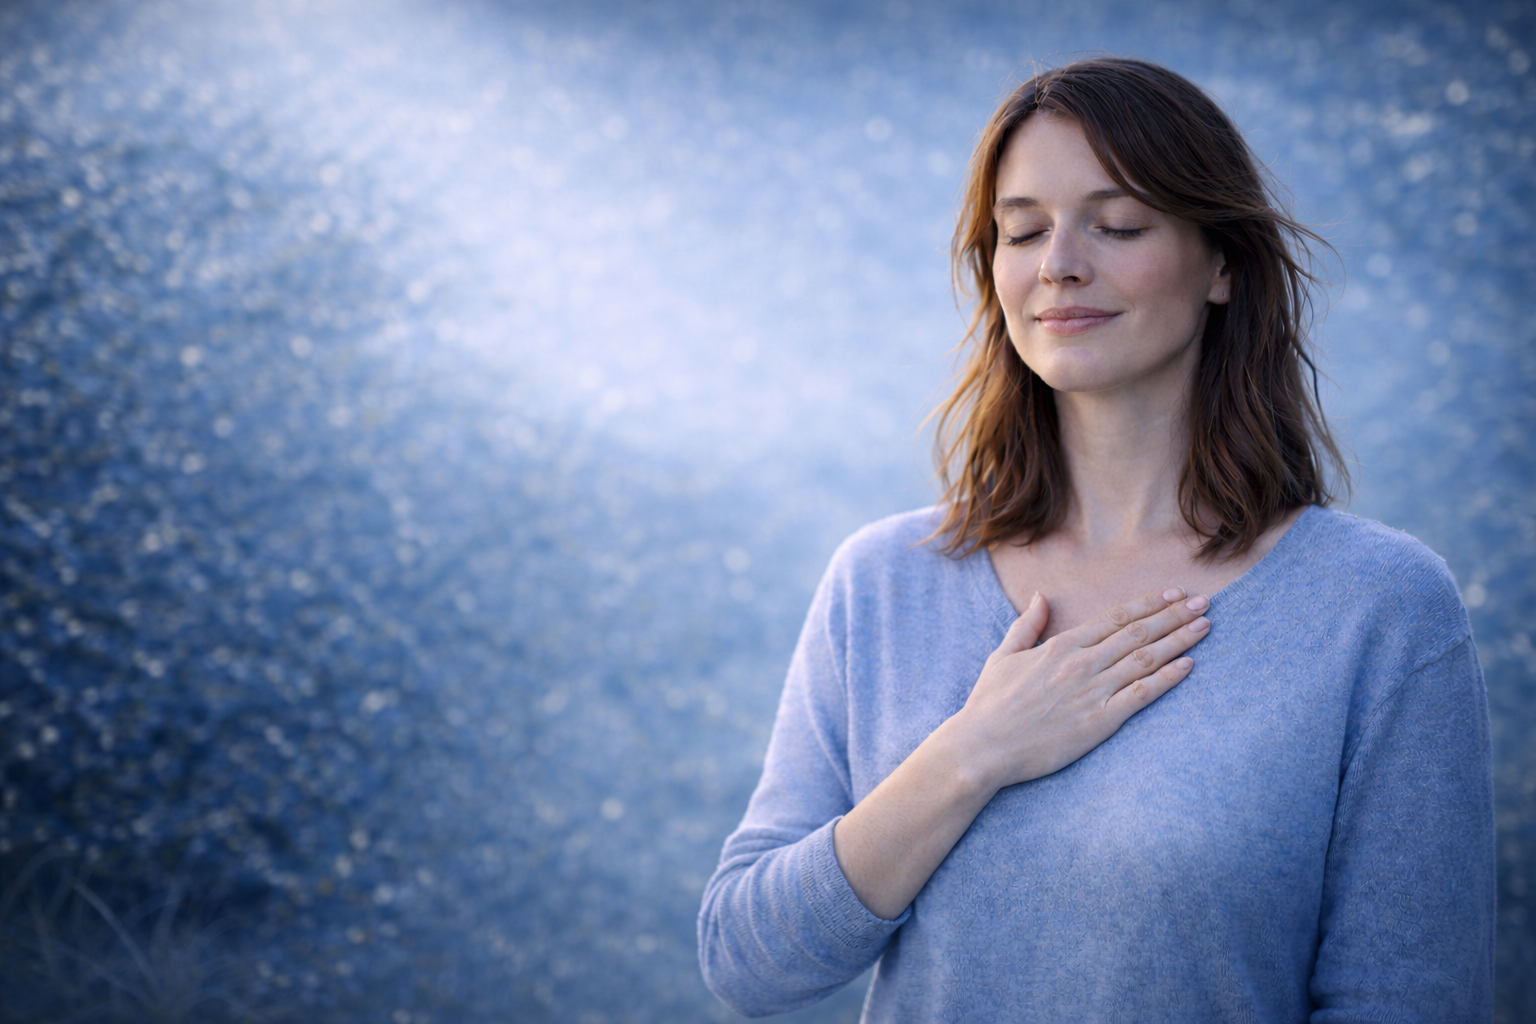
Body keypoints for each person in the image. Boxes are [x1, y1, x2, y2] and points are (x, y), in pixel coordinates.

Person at [697, 57, 1495, 1022]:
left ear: (1224, 265)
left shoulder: (1377, 605)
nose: (1058, 263)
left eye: (1117, 226)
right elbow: (748, 963)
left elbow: (1408, 1001)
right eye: (1022, 230)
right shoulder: (882, 582)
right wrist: (972, 753)